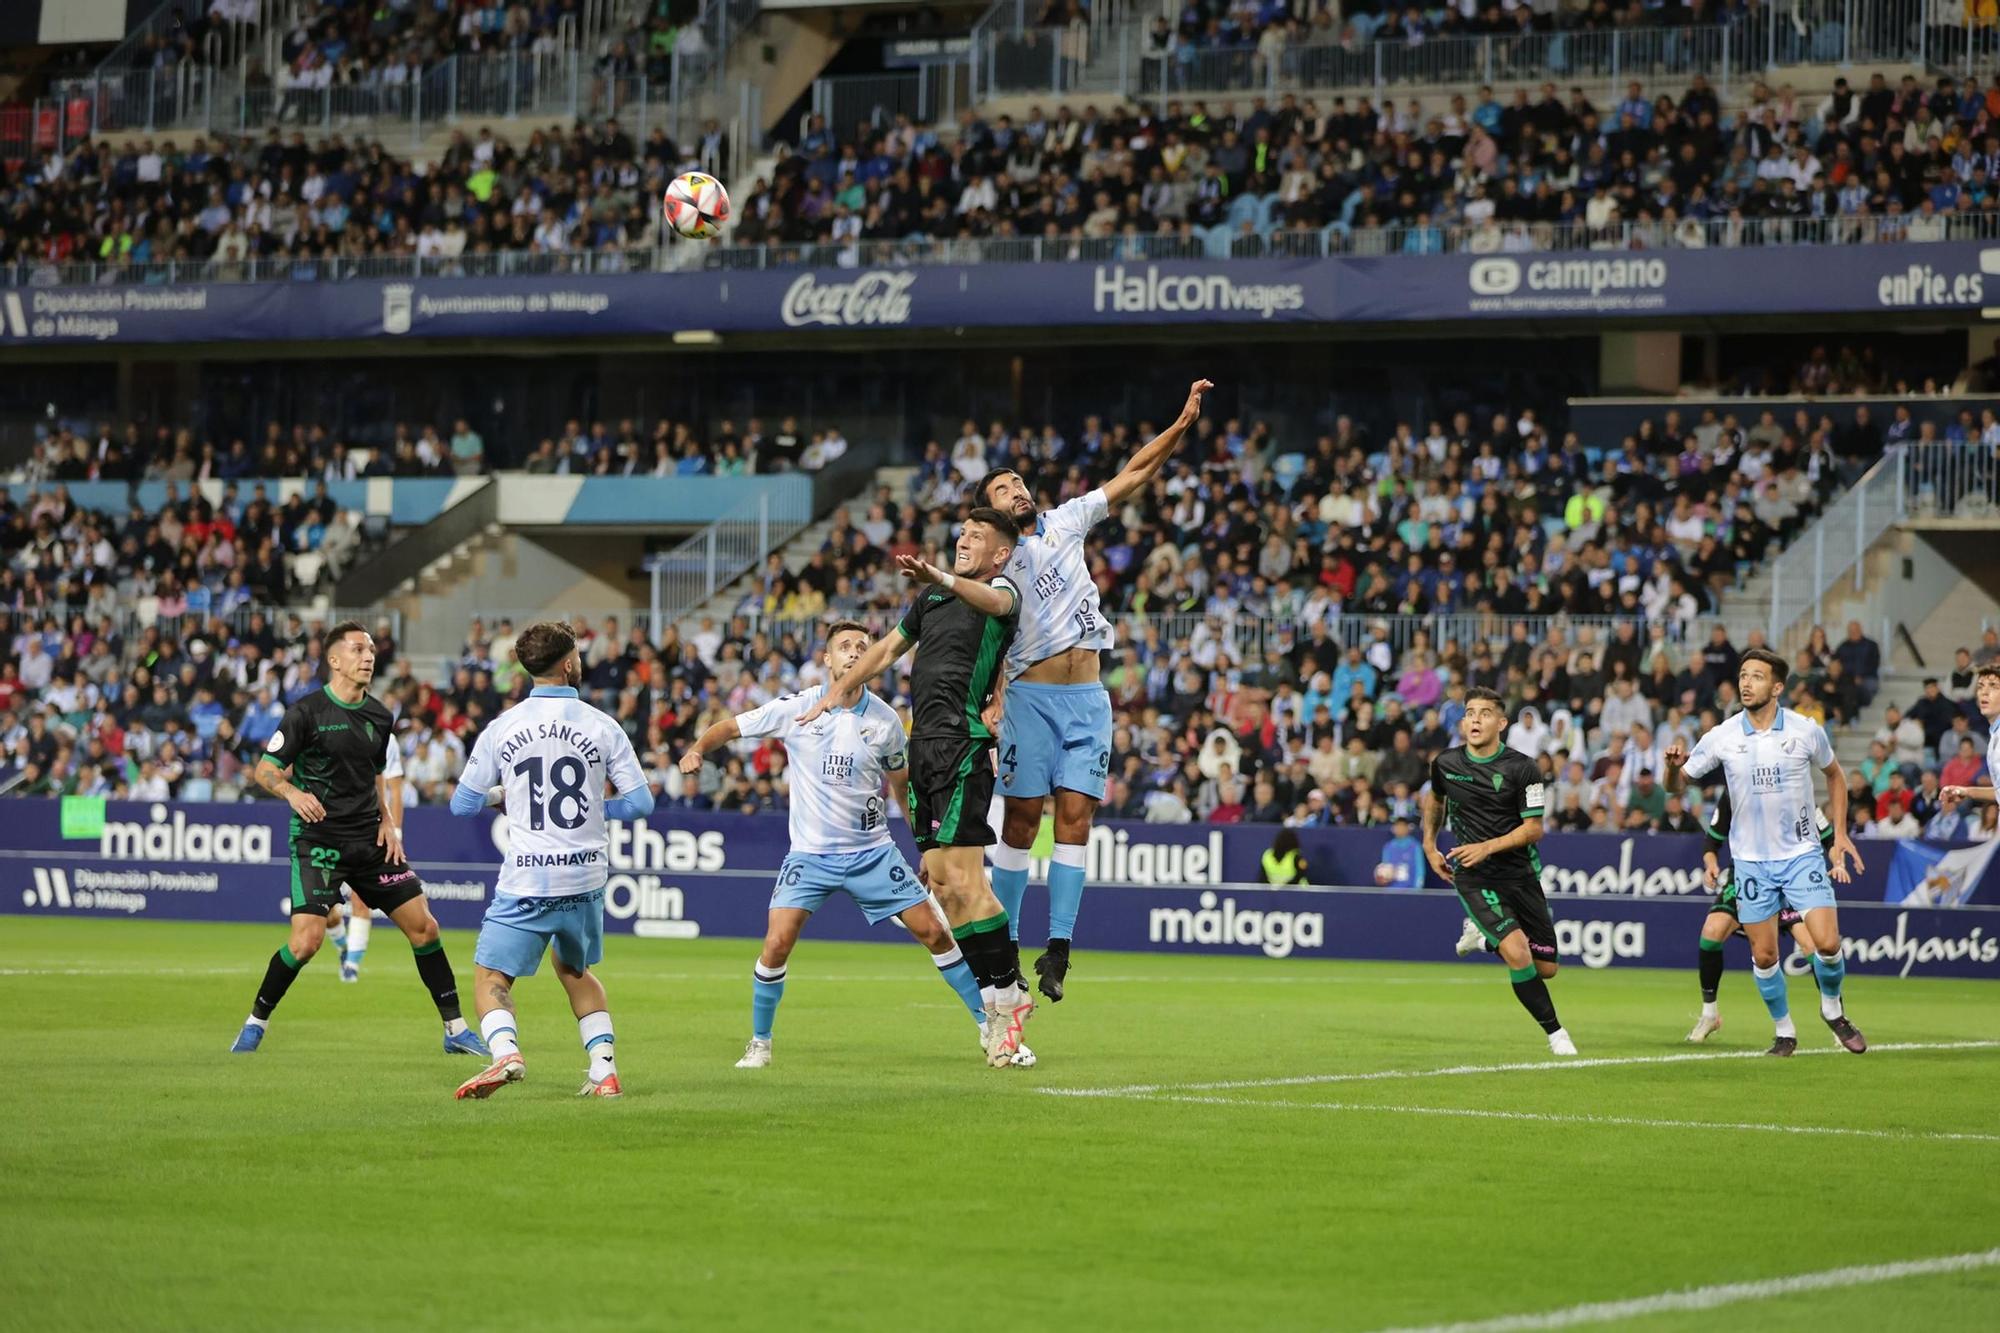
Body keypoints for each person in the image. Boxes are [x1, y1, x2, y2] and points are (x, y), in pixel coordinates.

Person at [979, 377, 1213, 1004]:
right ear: (990, 512)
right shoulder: (994, 564)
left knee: (1077, 820)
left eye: (1018, 482)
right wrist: (994, 691)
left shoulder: (1067, 521)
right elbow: (981, 628)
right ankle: (1002, 946)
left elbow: (1136, 472)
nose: (1017, 490)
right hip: (1030, 698)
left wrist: (1182, 423)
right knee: (1023, 824)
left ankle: (1058, 950)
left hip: (1088, 699)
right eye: (1003, 489)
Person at [677, 621, 988, 1070]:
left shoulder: (885, 722)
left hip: (873, 853)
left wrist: (924, 844)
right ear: (826, 659)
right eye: (844, 646)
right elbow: (729, 726)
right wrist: (697, 750)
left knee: (936, 933)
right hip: (810, 855)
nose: (854, 652)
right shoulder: (798, 708)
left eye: (863, 646)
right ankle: (760, 1043)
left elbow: (903, 787)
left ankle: (989, 1026)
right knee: (777, 942)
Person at [801, 508, 1035, 1067]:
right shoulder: (930, 600)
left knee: (964, 879)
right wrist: (839, 690)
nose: (965, 541)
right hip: (922, 746)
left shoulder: (1001, 589)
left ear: (1000, 553)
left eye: (978, 537)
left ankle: (1009, 995)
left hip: (963, 745)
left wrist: (942, 577)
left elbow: (998, 605)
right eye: (963, 534)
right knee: (947, 892)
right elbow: (883, 651)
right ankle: (998, 997)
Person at [231, 622, 487, 1057]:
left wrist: (387, 819)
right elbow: (265, 770)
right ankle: (256, 1022)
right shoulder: (305, 713)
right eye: (357, 650)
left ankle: (456, 1030)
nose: (368, 657)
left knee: (425, 928)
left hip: (370, 843)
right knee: (306, 942)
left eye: (370, 650)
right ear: (334, 660)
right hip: (319, 842)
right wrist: (293, 793)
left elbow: (372, 776)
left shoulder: (380, 717)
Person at [447, 621, 655, 1100]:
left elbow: (461, 805)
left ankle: (506, 1054)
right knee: (574, 971)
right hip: (585, 876)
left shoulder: (504, 727)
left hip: (528, 878)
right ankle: (603, 1070)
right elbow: (641, 804)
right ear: (567, 664)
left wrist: (504, 795)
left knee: (490, 977)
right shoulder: (603, 725)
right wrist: (599, 811)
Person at [1665, 648, 1866, 1057]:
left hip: (1802, 855)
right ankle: (1784, 1030)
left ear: (1777, 687)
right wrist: (1671, 768)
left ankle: (1832, 1008)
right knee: (1764, 953)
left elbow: (1836, 776)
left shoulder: (1805, 730)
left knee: (1826, 944)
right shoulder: (1722, 736)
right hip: (1751, 864)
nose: (1745, 682)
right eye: (1743, 675)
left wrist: (1840, 834)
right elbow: (1676, 786)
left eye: (1756, 676)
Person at [1427, 686, 1576, 1055]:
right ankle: (1557, 1035)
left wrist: (1487, 846)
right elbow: (1434, 801)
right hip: (1474, 876)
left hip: (1519, 875)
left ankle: (1483, 936)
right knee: (1518, 953)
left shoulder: (1524, 768)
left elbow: (1534, 829)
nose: (1475, 720)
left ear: (1502, 722)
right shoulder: (1445, 764)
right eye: (1470, 713)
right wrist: (1429, 845)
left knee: (1546, 967)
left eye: (1485, 713)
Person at [1686, 788, 1825, 1043]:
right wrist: (1711, 864)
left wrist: (1835, 856)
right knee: (1711, 932)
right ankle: (1709, 1014)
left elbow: (1823, 830)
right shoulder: (1734, 790)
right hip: (1745, 875)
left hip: (1788, 875)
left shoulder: (1790, 782)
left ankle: (1836, 1014)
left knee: (1812, 946)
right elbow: (1712, 840)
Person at [1940, 664, 2000, 828]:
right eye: (1980, 686)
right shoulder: (1994, 735)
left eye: (1993, 686)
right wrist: (1967, 792)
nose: (1984, 692)